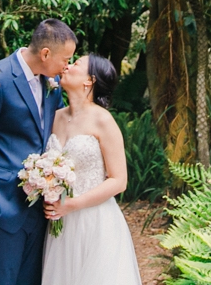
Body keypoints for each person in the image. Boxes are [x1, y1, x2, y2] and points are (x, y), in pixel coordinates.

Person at [0, 19, 78, 285]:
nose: (67, 66)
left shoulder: (52, 84)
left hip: (38, 213)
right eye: (65, 59)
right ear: (46, 53)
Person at [40, 53, 142, 285]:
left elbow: (119, 180)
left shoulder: (103, 120)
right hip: (60, 225)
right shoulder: (54, 117)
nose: (67, 65)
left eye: (76, 64)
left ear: (89, 81)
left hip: (95, 222)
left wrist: (72, 204)